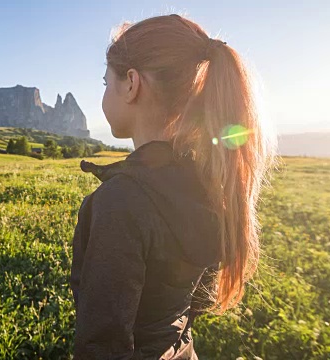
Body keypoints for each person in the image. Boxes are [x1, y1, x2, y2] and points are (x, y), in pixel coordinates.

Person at [70, 14, 275, 359]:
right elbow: (186, 308)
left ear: (132, 83)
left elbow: (101, 346)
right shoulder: (208, 185)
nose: (104, 93)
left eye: (105, 82)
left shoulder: (119, 202)